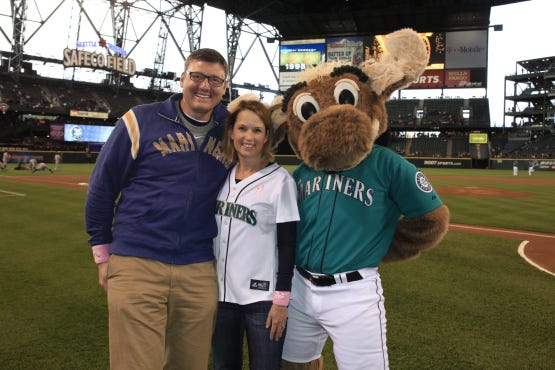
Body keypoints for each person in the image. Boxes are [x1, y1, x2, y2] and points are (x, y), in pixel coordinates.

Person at [84, 48, 230, 370]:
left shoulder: (232, 128)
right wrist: (102, 253)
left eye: (215, 80)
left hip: (199, 267)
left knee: (190, 364)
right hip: (138, 260)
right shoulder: (140, 119)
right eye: (197, 76)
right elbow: (102, 187)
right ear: (182, 78)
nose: (205, 86)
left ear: (224, 86)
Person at [211, 97, 299, 370]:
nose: (248, 137)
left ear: (267, 137)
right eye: (242, 128)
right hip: (222, 296)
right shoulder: (222, 176)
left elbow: (288, 244)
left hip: (263, 300)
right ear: (231, 132)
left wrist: (281, 301)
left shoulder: (280, 181)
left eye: (256, 130)